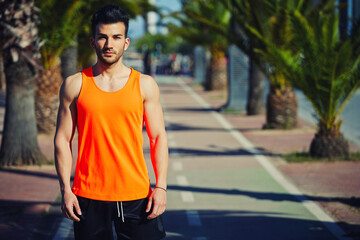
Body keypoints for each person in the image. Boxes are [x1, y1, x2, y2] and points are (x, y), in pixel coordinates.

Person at [54, 4, 168, 240]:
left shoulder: (144, 85)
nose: (109, 44)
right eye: (103, 37)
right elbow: (63, 139)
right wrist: (66, 189)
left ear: (126, 42)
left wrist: (161, 187)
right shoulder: (75, 84)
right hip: (88, 196)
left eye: (116, 37)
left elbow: (158, 138)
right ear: (93, 41)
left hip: (136, 195)